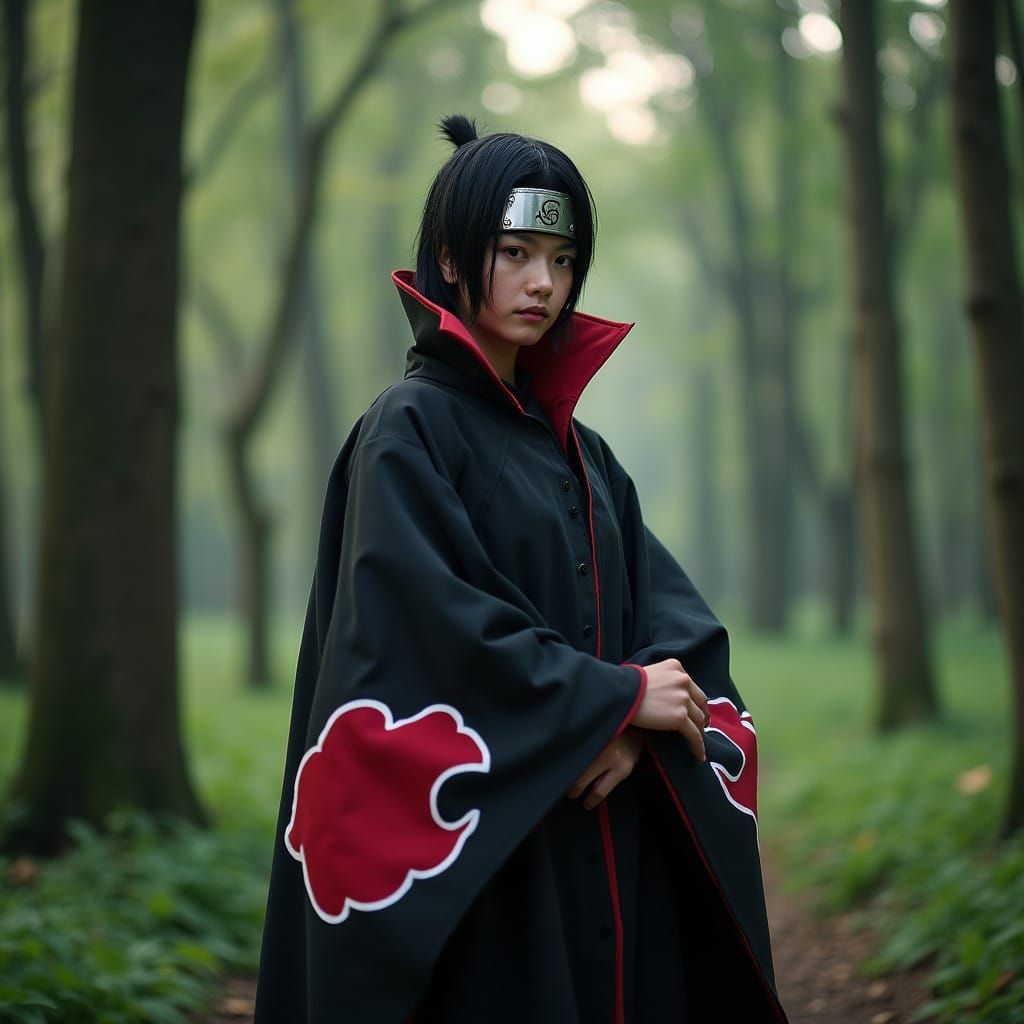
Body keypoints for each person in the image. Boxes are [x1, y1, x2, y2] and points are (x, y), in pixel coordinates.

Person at [253, 115, 787, 1024]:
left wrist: (634, 730)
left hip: (606, 830)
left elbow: (672, 625)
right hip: (489, 861)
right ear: (450, 258)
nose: (544, 282)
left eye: (563, 259)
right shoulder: (406, 432)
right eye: (515, 252)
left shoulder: (587, 454)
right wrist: (614, 700)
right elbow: (426, 633)